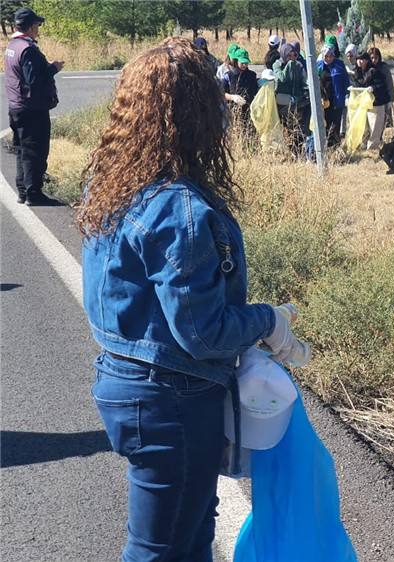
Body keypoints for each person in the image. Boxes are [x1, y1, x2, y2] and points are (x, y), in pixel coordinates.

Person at [78, 37, 311, 561]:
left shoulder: (111, 185)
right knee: (161, 549)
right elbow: (203, 334)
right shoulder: (179, 208)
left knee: (189, 530)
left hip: (127, 381)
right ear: (195, 114)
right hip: (172, 398)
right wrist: (267, 320)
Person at [4, 7, 63, 205]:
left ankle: (23, 191)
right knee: (35, 152)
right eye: (37, 25)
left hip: (16, 106)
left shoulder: (12, 46)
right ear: (30, 27)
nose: (38, 29)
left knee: (22, 150)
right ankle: (34, 193)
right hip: (31, 109)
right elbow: (34, 81)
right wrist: (53, 68)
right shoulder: (28, 49)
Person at [273, 42, 309, 154]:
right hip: (283, 102)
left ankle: (298, 152)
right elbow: (282, 77)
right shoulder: (277, 65)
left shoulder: (298, 65)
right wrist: (289, 65)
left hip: (297, 101)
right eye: (289, 55)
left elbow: (305, 81)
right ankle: (289, 152)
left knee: (298, 128)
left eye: (295, 55)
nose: (292, 58)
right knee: (287, 128)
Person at [317, 42, 350, 147]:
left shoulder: (339, 65)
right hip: (324, 100)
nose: (329, 58)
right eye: (326, 56)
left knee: (335, 125)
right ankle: (325, 147)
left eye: (331, 56)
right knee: (325, 124)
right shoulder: (318, 66)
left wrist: (347, 95)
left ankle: (335, 148)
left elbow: (346, 81)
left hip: (337, 99)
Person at [223, 47, 258, 139]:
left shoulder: (252, 75)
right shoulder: (228, 76)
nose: (244, 65)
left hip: (249, 111)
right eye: (242, 63)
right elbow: (222, 93)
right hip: (234, 112)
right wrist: (232, 97)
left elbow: (256, 92)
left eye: (246, 63)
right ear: (236, 61)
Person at [369, 47, 394, 144]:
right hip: (372, 100)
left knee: (385, 122)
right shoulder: (368, 68)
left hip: (384, 98)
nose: (374, 60)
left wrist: (391, 99)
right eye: (372, 58)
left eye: (376, 58)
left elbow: (389, 83)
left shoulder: (383, 67)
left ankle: (383, 141)